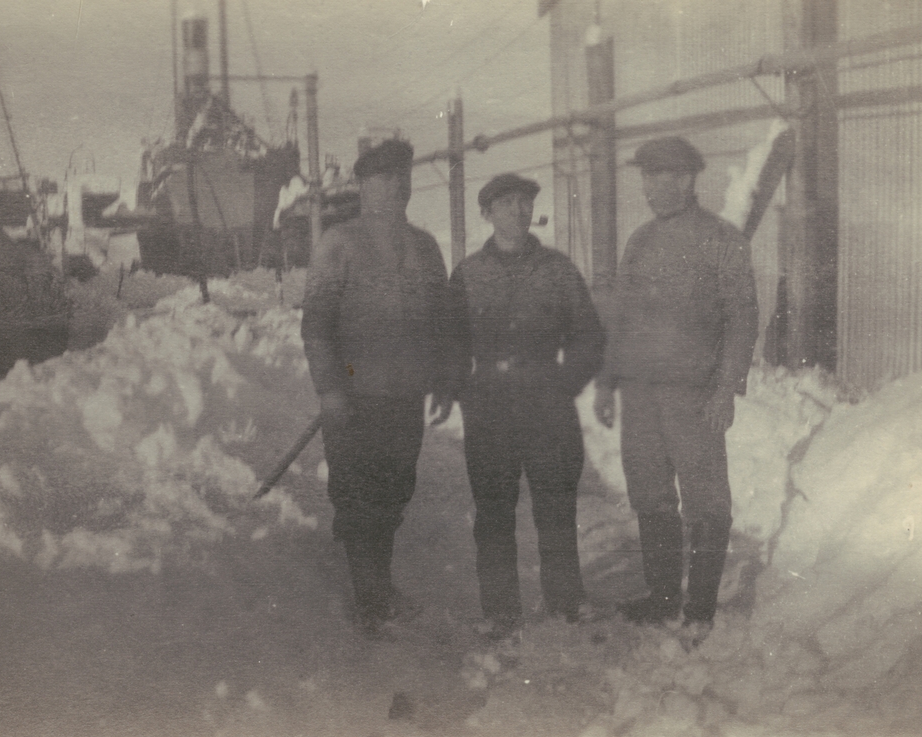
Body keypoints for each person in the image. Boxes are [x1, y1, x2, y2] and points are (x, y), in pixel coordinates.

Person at [594, 136, 758, 648]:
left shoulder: (722, 239)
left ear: (687, 179)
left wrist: (726, 389)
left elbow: (742, 319)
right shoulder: (639, 241)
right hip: (640, 393)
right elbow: (620, 317)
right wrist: (606, 382)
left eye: (663, 176)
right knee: (650, 495)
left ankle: (700, 610)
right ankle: (663, 597)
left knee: (706, 501)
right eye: (647, 176)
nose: (652, 187)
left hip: (692, 394)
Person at [301, 138, 456, 639]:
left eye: (402, 176)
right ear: (363, 185)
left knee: (393, 492)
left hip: (404, 397)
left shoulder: (426, 247)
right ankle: (371, 597)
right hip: (354, 398)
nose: (397, 186)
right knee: (358, 494)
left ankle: (375, 581)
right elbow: (316, 327)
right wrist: (329, 389)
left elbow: (442, 324)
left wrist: (444, 380)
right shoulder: (338, 244)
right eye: (385, 177)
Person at [448, 173, 606, 640]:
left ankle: (566, 600)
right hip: (490, 407)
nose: (518, 212)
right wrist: (466, 391)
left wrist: (564, 383)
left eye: (525, 203)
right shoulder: (468, 275)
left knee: (556, 506)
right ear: (486, 214)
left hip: (547, 404)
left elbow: (588, 336)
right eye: (507, 204)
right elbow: (449, 343)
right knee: (494, 511)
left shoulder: (557, 270)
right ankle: (500, 610)